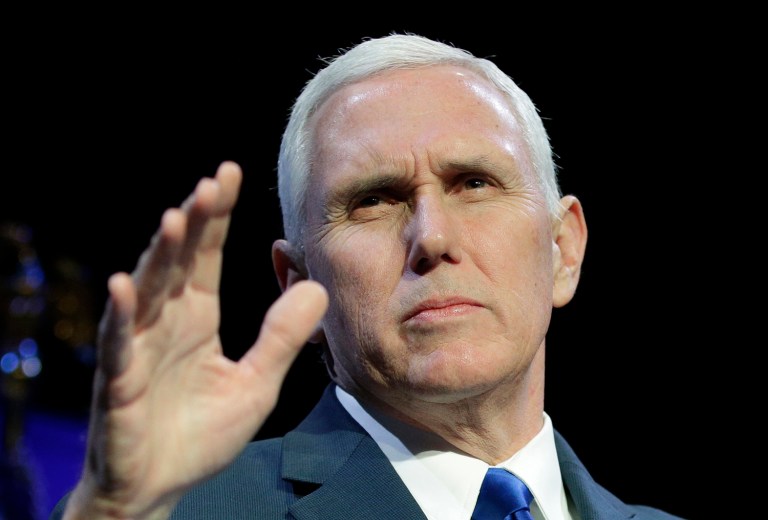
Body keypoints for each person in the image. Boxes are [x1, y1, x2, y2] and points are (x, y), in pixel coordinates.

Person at [50, 33, 684, 519]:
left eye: (474, 183)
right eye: (374, 200)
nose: (432, 238)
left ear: (562, 250)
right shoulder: (181, 508)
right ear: (299, 288)